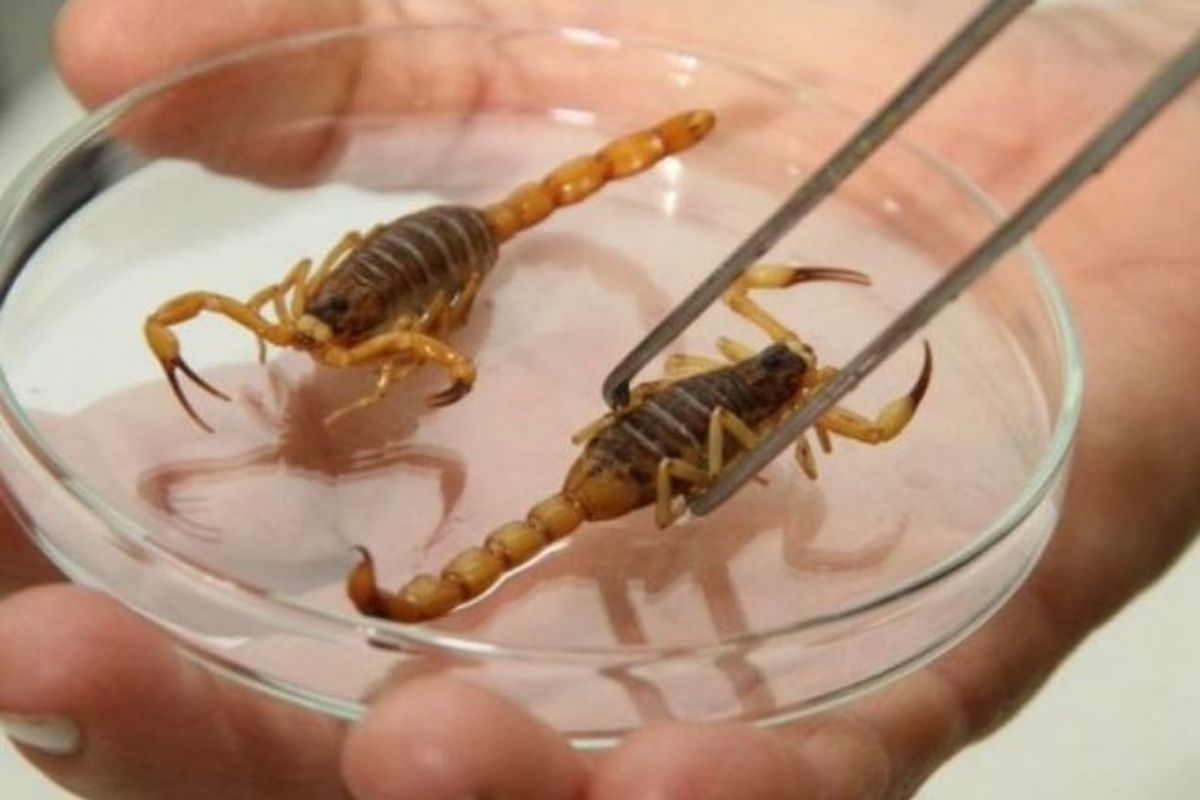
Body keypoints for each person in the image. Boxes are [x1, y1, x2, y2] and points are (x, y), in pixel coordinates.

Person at [2, 0, 1197, 797]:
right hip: (619, 433)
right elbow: (813, 415)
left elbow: (841, 429)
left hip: (622, 453)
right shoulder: (762, 378)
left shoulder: (755, 382)